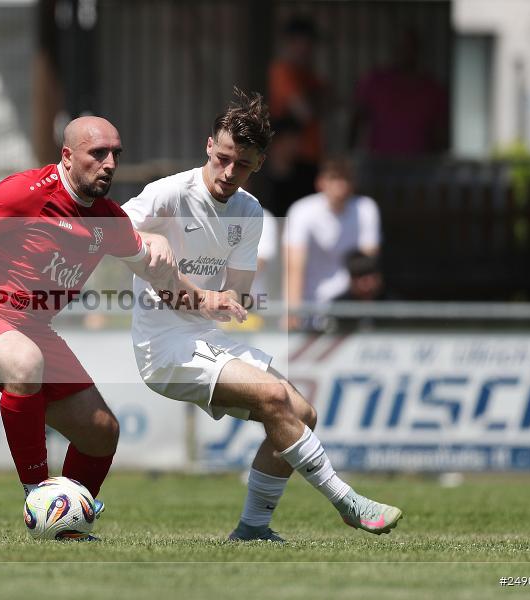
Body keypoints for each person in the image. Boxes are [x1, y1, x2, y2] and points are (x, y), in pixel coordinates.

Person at [122, 90, 402, 542]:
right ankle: (348, 501)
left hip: (204, 338)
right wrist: (148, 244)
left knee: (301, 413)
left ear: (260, 163)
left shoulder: (250, 211)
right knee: (273, 396)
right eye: (225, 158)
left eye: (245, 164)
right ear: (209, 146)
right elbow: (114, 230)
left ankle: (252, 528)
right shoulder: (170, 193)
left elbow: (237, 292)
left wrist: (222, 298)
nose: (231, 173)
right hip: (163, 347)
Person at [0, 117, 172, 534]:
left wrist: (206, 297)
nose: (109, 163)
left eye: (116, 153)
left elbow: (156, 271)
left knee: (101, 433)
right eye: (97, 153)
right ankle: (38, 495)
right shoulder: (27, 192)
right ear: (67, 156)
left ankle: (62, 526)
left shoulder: (108, 220)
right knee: (24, 362)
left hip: (28, 326)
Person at [284, 159, 380, 326]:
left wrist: (364, 311)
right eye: (334, 178)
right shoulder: (302, 211)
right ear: (321, 182)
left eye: (346, 179)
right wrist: (293, 312)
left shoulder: (366, 209)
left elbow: (367, 269)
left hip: (348, 303)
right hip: (308, 301)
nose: (340, 185)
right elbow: (294, 266)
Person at [350, 27, 448, 157]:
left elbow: (440, 134)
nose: (406, 51)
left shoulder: (432, 88)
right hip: (379, 164)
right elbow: (357, 120)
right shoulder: (375, 81)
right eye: (402, 46)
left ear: (418, 50)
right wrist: (350, 156)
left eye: (410, 47)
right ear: (395, 49)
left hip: (420, 165)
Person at [267, 16, 325, 164]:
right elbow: (304, 112)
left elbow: (332, 100)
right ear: (290, 42)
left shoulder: (307, 75)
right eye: (304, 42)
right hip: (289, 158)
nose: (309, 49)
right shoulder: (282, 73)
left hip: (310, 153)